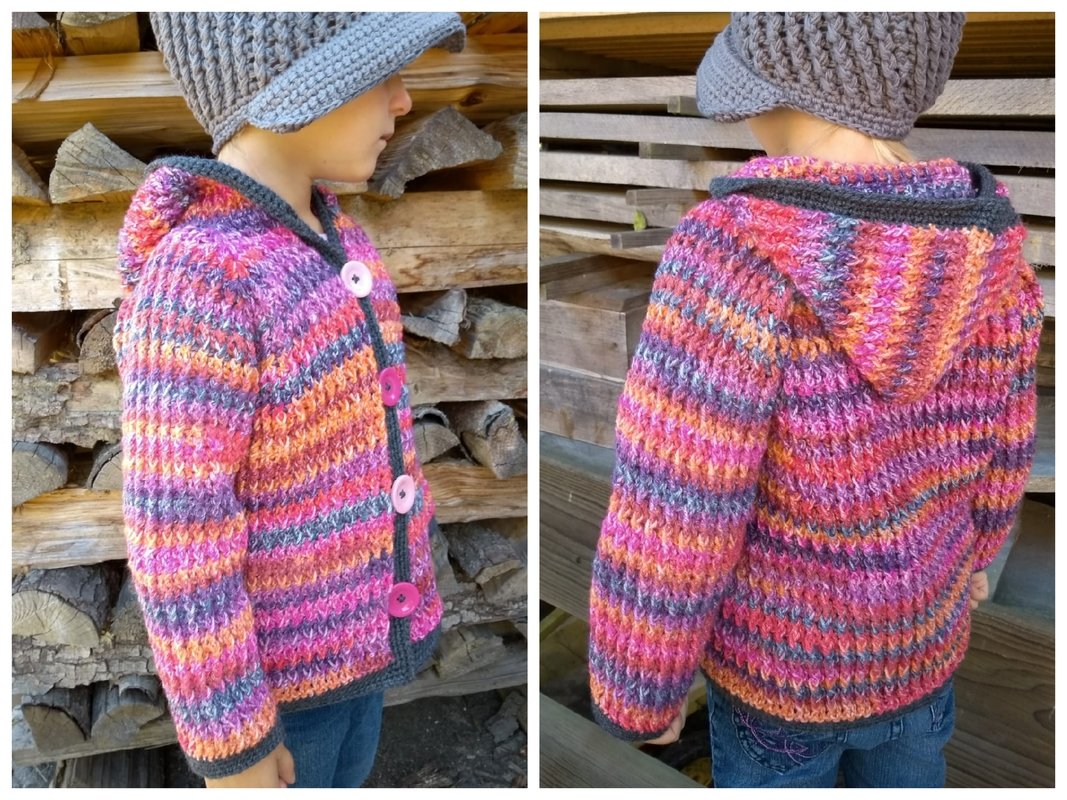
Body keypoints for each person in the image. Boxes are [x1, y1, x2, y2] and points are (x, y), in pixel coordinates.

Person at [587, 12, 1041, 788]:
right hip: (921, 652)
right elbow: (1004, 447)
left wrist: (639, 685)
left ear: (777, 86)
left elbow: (678, 500)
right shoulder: (987, 247)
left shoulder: (733, 250)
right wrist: (978, 555)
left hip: (781, 678)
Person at [112, 12, 466, 788]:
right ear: (290, 85)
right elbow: (176, 528)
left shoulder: (337, 238)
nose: (403, 101)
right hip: (277, 692)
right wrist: (230, 734)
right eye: (380, 75)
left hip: (355, 657)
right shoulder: (201, 278)